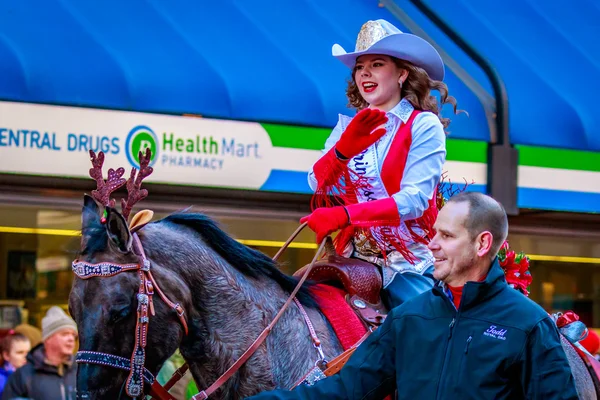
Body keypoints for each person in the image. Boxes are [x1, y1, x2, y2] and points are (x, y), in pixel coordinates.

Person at [248, 192, 578, 399]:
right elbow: (345, 389)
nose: (432, 244)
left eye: (446, 236)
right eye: (434, 233)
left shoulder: (528, 325)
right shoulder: (409, 318)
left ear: (482, 244)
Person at [301, 19, 461, 309]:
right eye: (360, 67)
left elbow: (414, 201)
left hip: (407, 261)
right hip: (352, 257)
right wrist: (341, 152)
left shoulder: (423, 125)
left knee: (426, 332)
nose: (365, 73)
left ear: (401, 74)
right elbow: (316, 182)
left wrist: (344, 215)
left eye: (376, 64)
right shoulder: (347, 128)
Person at [2, 307, 77, 400]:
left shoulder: (80, 371)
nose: (71, 339)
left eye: (73, 335)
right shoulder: (23, 375)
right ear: (48, 339)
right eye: (65, 334)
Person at [0, 332, 30, 398]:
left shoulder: (32, 375)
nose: (26, 356)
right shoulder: (2, 380)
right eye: (20, 352)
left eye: (28, 352)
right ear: (6, 355)